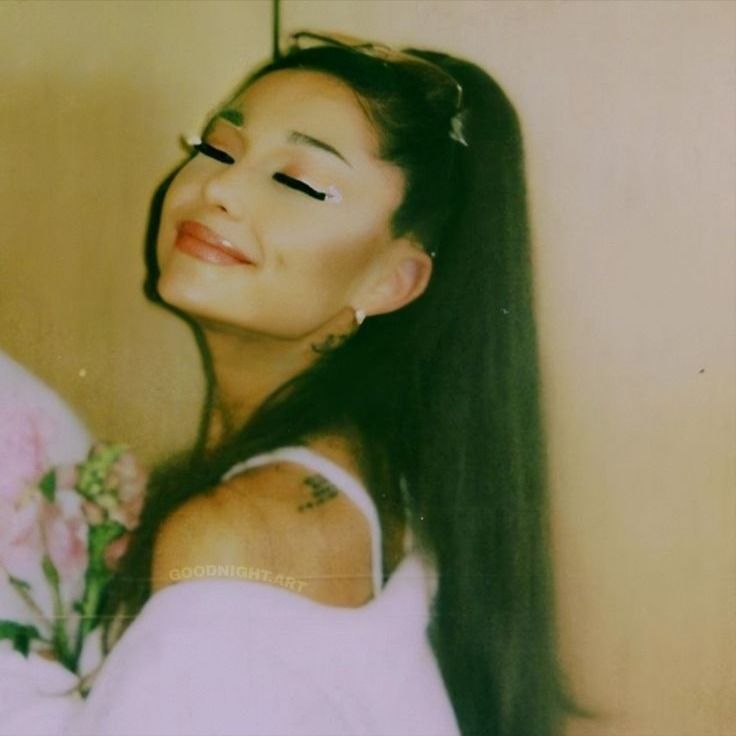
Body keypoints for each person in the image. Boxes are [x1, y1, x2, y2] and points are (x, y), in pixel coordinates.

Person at [2, 30, 594, 736]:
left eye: (298, 182)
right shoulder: (381, 477)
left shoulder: (235, 537)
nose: (216, 187)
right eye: (217, 148)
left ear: (393, 279)